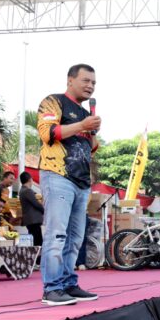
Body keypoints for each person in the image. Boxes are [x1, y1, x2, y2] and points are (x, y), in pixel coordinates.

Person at [36, 64, 101, 306]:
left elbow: (91, 148)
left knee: (75, 238)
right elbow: (48, 133)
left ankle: (68, 283)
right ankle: (51, 289)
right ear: (70, 80)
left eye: (93, 83)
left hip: (82, 181)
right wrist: (83, 126)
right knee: (57, 234)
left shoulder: (85, 114)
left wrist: (92, 132)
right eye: (85, 80)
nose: (90, 86)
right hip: (57, 175)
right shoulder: (53, 101)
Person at [18, 171, 44, 247]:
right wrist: (43, 209)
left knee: (34, 241)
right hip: (33, 220)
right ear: (30, 179)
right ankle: (37, 258)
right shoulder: (27, 191)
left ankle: (36, 257)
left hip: (30, 220)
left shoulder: (22, 190)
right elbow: (36, 204)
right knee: (38, 242)